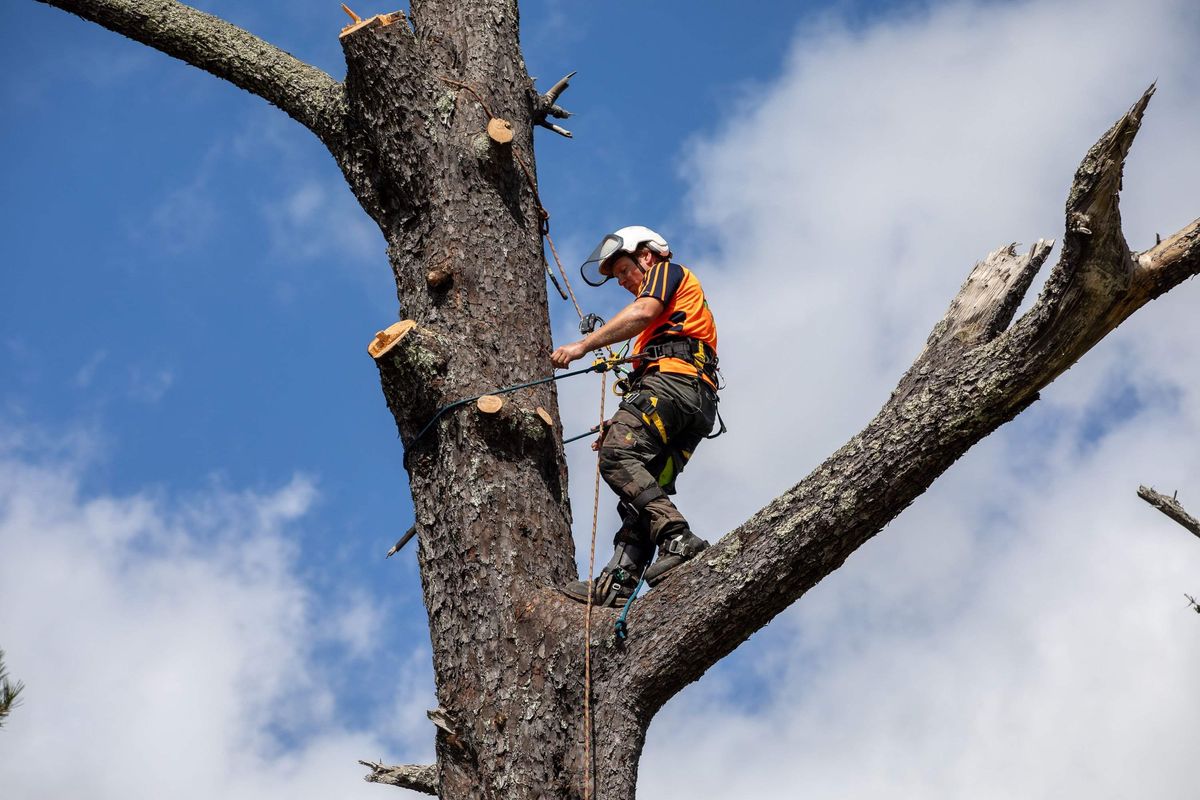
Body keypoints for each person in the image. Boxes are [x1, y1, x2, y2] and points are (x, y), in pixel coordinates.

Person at [551, 226, 721, 606]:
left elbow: (643, 311)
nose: (625, 281)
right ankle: (619, 580)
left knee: (615, 455)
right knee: (639, 491)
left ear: (646, 255)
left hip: (675, 387)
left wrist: (583, 345)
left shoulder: (665, 271)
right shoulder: (667, 325)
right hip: (692, 403)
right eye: (619, 278)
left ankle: (677, 536)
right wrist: (625, 417)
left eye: (626, 269)